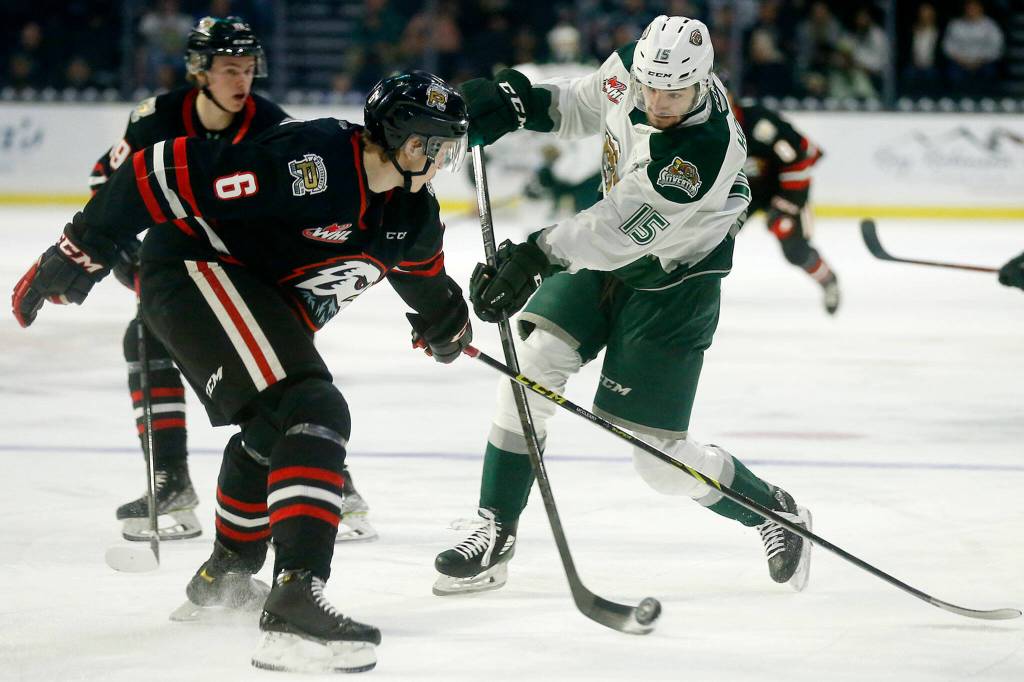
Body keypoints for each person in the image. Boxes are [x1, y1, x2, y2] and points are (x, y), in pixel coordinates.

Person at [12, 71, 472, 673]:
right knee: (313, 408)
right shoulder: (313, 163)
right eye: (431, 145)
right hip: (195, 270)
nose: (440, 160)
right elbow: (162, 171)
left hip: (254, 298)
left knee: (270, 432)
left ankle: (223, 580)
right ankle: (294, 599)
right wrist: (82, 247)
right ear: (399, 140)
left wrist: (450, 323)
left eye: (448, 148)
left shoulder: (413, 213)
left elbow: (424, 279)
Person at [432, 15, 812, 598]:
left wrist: (534, 256)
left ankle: (771, 510)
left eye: (675, 92)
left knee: (657, 462)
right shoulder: (643, 65)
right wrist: (520, 101)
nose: (658, 101)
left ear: (703, 80)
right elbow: (586, 103)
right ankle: (494, 531)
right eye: (651, 87)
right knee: (531, 371)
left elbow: (616, 231)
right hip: (608, 253)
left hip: (674, 280)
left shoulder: (700, 155)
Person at [91, 15, 377, 545]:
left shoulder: (273, 124)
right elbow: (105, 187)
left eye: (248, 69)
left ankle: (335, 479)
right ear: (200, 70)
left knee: (285, 373)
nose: (241, 81)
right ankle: (171, 479)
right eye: (229, 69)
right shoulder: (154, 118)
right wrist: (131, 262)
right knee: (144, 337)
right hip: (178, 263)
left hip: (250, 269)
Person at [728, 94, 841, 314]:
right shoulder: (702, 122)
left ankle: (828, 279)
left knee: (794, 249)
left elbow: (799, 163)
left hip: (783, 188)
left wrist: (786, 207)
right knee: (712, 237)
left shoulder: (761, 124)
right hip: (744, 189)